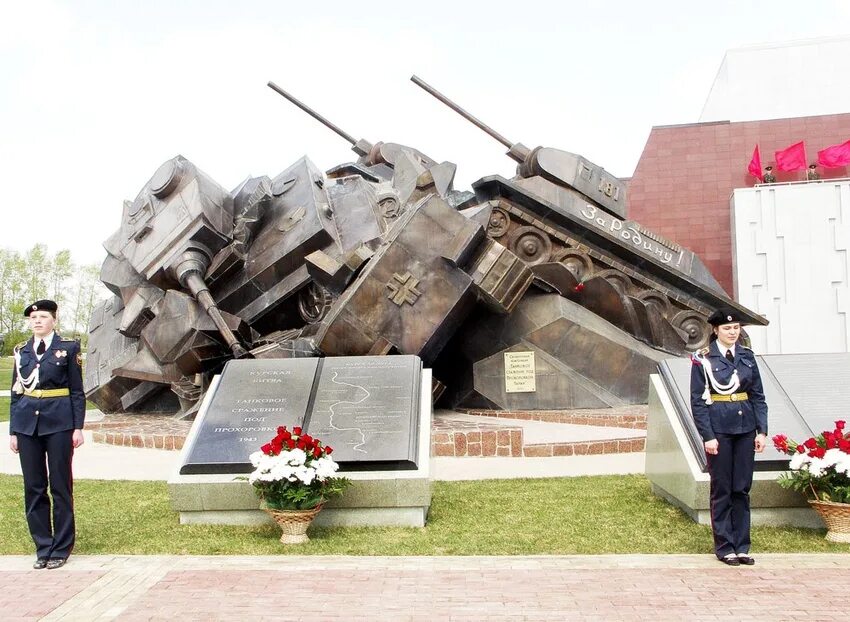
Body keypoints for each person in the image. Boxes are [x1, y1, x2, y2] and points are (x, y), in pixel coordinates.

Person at [8, 299, 85, 570]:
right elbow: (17, 393)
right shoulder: (22, 351)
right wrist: (13, 431)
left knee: (61, 486)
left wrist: (78, 427)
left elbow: (76, 391)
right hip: (28, 426)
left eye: (42, 316)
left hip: (60, 424)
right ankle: (43, 546)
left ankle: (61, 548)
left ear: (54, 320)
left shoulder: (67, 348)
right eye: (33, 318)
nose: (37, 321)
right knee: (34, 487)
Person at [690, 308, 768, 566]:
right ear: (715, 330)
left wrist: (762, 430)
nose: (732, 332)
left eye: (735, 328)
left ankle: (742, 546)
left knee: (741, 489)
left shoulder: (746, 357)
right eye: (727, 328)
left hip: (745, 428)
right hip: (720, 430)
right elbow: (698, 402)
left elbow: (757, 395)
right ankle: (725, 547)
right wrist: (708, 435)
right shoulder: (703, 359)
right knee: (722, 488)